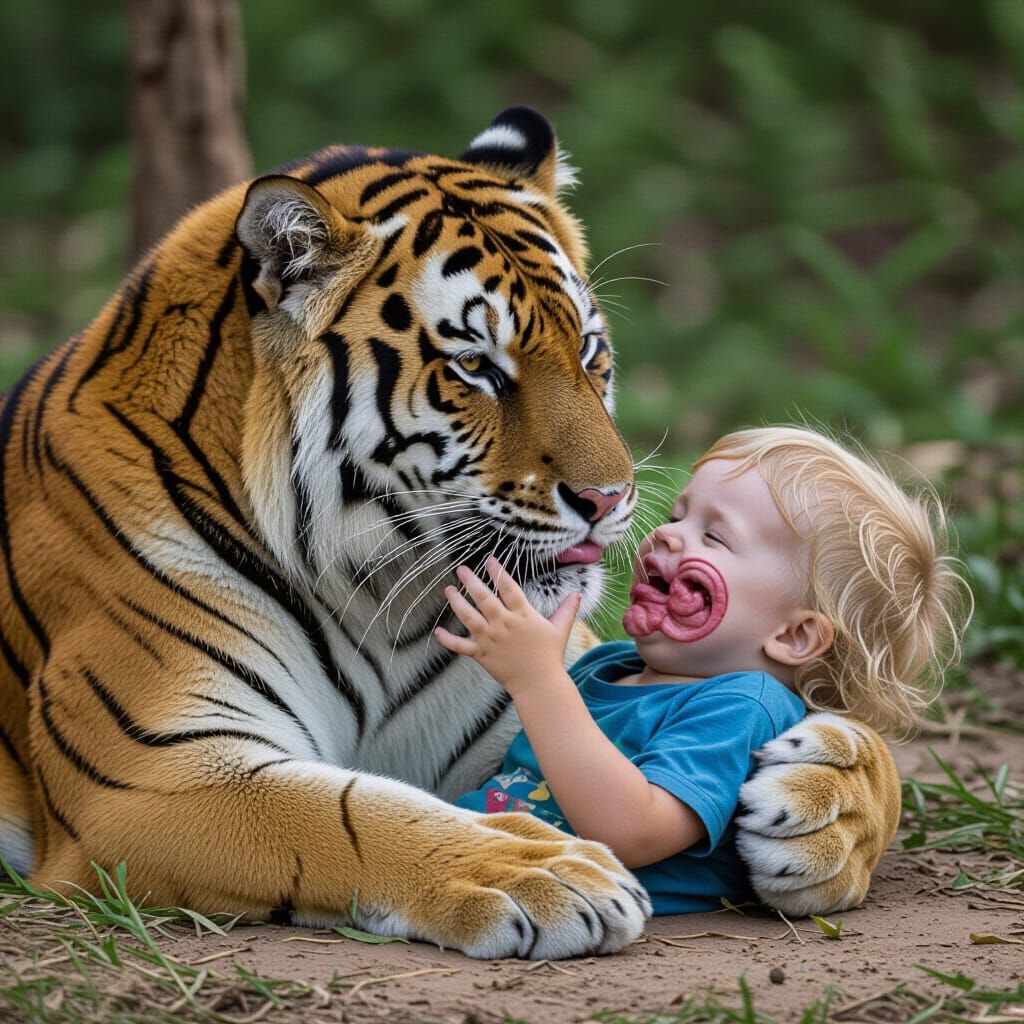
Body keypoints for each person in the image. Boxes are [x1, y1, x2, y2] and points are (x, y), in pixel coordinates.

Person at [434, 426, 968, 914]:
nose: (667, 535)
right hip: (472, 863)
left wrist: (537, 681)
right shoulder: (607, 665)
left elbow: (632, 829)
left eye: (715, 538)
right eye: (676, 516)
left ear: (793, 636)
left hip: (546, 904)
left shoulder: (740, 705)